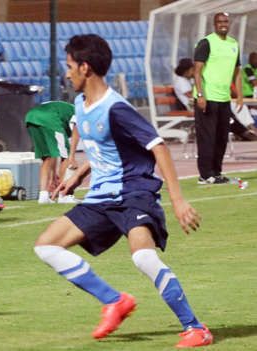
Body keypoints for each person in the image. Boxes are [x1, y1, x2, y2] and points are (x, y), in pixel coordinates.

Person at [33, 34, 212, 348]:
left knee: (143, 258)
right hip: (101, 197)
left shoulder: (117, 108)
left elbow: (160, 148)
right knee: (46, 247)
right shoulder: (81, 103)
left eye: (70, 65)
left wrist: (179, 200)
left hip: (133, 193)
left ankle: (196, 328)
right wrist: (79, 176)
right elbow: (105, 148)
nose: (67, 72)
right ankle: (114, 301)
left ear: (85, 67)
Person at [193, 12, 242, 184]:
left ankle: (217, 172)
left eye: (226, 21)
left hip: (224, 98)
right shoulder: (207, 42)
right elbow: (196, 72)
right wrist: (200, 95)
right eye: (219, 22)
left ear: (229, 24)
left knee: (222, 137)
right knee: (207, 137)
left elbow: (237, 72)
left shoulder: (233, 44)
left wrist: (240, 96)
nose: (223, 24)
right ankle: (205, 175)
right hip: (207, 98)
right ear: (214, 25)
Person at [25, 101, 80, 204]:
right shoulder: (82, 112)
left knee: (48, 156)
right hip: (50, 118)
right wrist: (72, 155)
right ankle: (64, 195)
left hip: (31, 116)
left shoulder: (65, 108)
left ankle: (43, 196)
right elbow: (77, 129)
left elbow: (54, 154)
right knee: (67, 155)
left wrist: (53, 177)